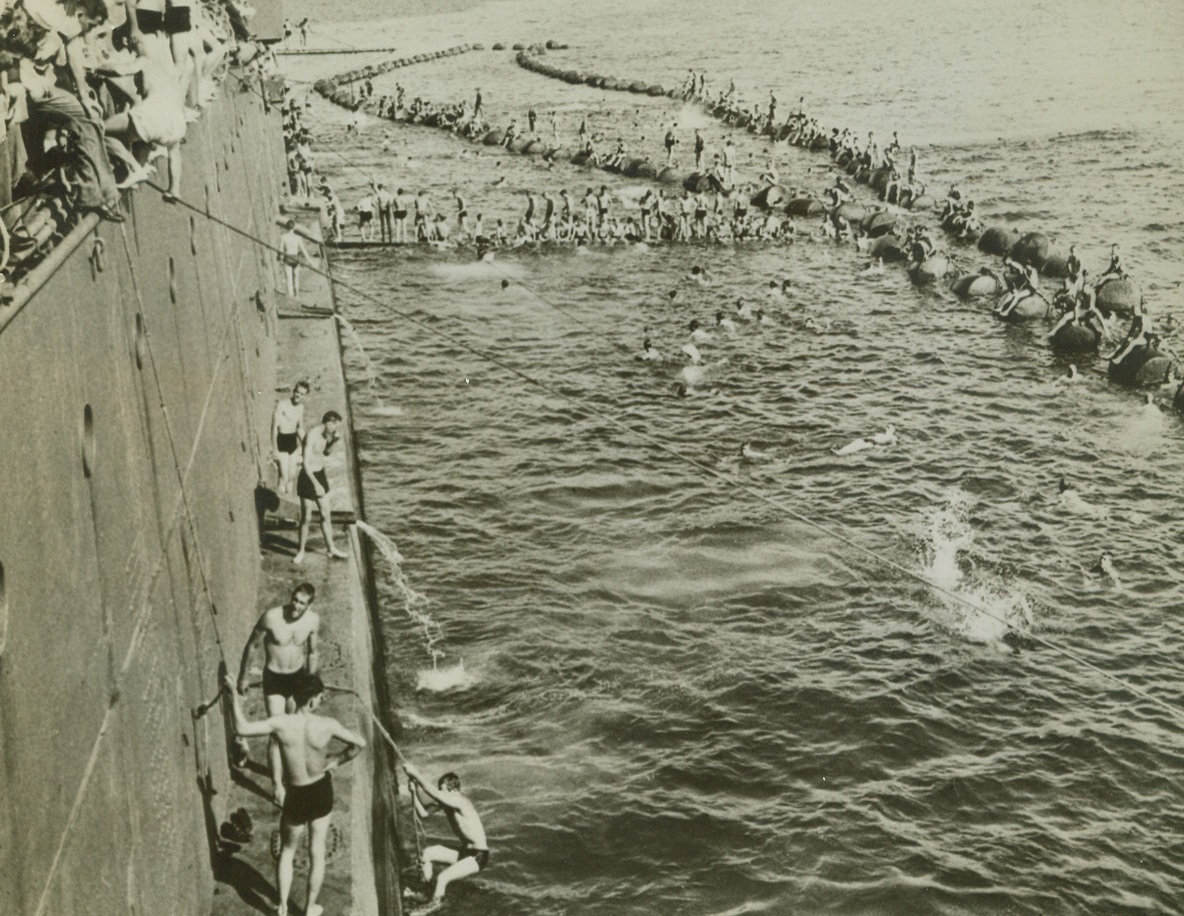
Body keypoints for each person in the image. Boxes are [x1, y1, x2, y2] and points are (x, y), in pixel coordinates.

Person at [225, 670, 365, 916]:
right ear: (311, 699)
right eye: (320, 697)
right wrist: (337, 760)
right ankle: (310, 907)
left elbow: (242, 727)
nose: (321, 701)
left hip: (296, 794)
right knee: (317, 851)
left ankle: (281, 906)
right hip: (320, 790)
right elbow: (359, 744)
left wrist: (231, 697)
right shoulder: (326, 725)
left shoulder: (281, 724)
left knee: (287, 851)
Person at [236, 582, 321, 800]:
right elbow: (253, 645)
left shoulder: (312, 621)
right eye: (294, 599)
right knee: (276, 733)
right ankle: (277, 786)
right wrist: (243, 677)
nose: (296, 605)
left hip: (298, 678)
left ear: (309, 605)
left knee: (293, 730)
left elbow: (312, 652)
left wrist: (311, 685)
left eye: (302, 603)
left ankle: (291, 773)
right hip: (274, 679)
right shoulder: (272, 617)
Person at [404, 762, 489, 911]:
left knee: (443, 877)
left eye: (442, 790)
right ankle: (427, 893)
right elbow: (423, 813)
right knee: (427, 854)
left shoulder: (461, 801)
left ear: (454, 789)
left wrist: (416, 773)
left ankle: (435, 905)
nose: (440, 794)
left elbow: (436, 795)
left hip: (478, 856)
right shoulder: (448, 802)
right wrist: (415, 790)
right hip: (465, 852)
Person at [294, 411, 350, 564]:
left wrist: (333, 441)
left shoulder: (328, 434)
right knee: (306, 517)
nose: (335, 429)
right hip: (308, 477)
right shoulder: (312, 435)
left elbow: (325, 453)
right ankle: (300, 551)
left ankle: (331, 548)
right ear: (328, 422)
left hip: (320, 474)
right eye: (335, 426)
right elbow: (305, 464)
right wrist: (316, 484)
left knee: (326, 515)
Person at [271, 381, 308, 494]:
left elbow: (299, 428)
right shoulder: (282, 405)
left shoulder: (301, 407)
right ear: (293, 391)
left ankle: (286, 499)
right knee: (284, 477)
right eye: (297, 392)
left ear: (304, 396)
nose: (298, 395)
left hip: (293, 443)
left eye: (301, 394)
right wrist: (274, 449)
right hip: (281, 442)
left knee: (291, 478)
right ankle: (278, 498)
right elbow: (274, 428)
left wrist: (308, 445)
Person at [278, 220, 315, 296]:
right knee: (296, 276)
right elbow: (304, 250)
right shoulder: (298, 238)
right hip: (295, 258)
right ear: (294, 227)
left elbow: (281, 250)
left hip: (288, 257)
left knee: (289, 279)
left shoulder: (283, 237)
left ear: (286, 227)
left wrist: (281, 260)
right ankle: (297, 293)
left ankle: (291, 295)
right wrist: (311, 262)